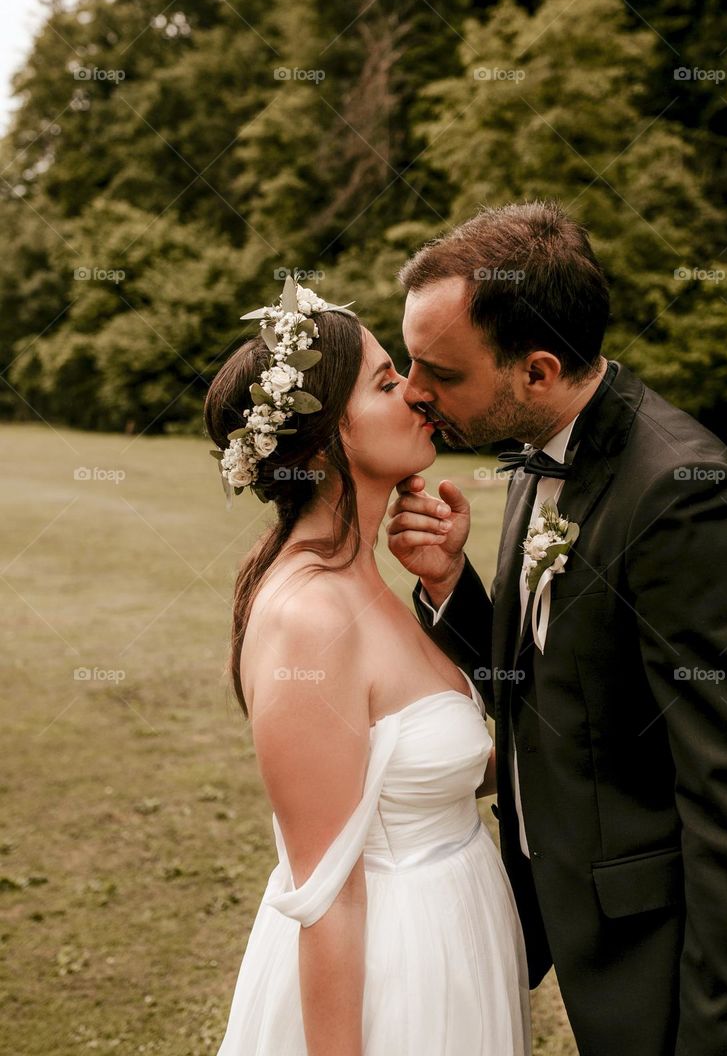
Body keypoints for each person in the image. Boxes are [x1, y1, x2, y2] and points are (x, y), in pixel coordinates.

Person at [387, 201, 727, 1056]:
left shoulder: (685, 493)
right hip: (581, 915)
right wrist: (451, 584)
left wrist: (717, 1036)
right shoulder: (541, 448)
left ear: (537, 370)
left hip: (670, 954)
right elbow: (558, 682)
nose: (413, 391)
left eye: (437, 370)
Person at [205, 276, 531, 1055]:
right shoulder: (308, 619)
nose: (420, 395)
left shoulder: (369, 579)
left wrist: (447, 583)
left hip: (459, 941)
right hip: (396, 975)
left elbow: (438, 767)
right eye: (388, 382)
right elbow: (326, 901)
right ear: (326, 437)